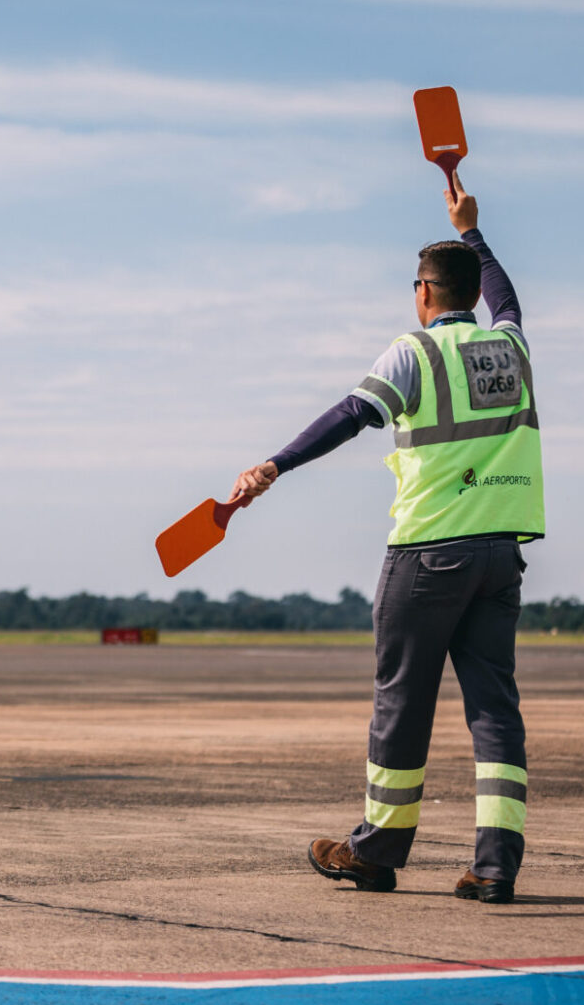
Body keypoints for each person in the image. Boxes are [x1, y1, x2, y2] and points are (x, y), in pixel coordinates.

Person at [230, 173, 542, 904]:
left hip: (429, 552)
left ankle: (374, 854)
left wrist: (273, 466)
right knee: (494, 711)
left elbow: (350, 414)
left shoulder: (414, 353)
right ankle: (496, 867)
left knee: (401, 703)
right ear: (472, 292)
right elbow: (509, 302)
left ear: (422, 292)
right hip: (501, 555)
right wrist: (472, 230)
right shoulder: (511, 348)